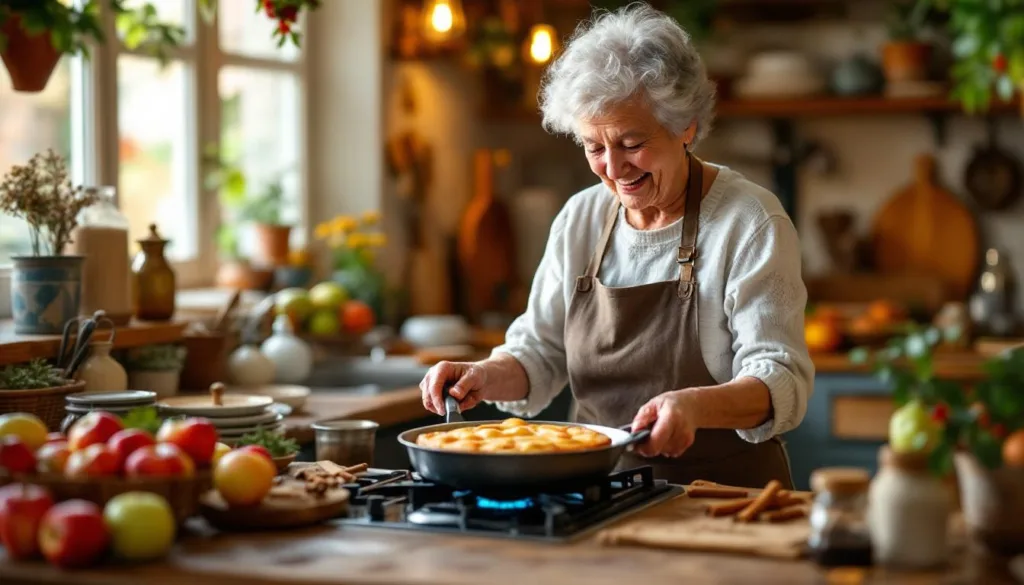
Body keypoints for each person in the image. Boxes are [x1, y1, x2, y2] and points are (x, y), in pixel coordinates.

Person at [418, 3, 814, 488]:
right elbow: (540, 351)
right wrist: (483, 373)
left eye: (631, 143)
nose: (613, 167)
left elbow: (781, 378)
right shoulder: (581, 218)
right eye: (594, 146)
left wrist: (694, 406)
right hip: (598, 494)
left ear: (685, 126)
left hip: (724, 498)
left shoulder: (747, 220)